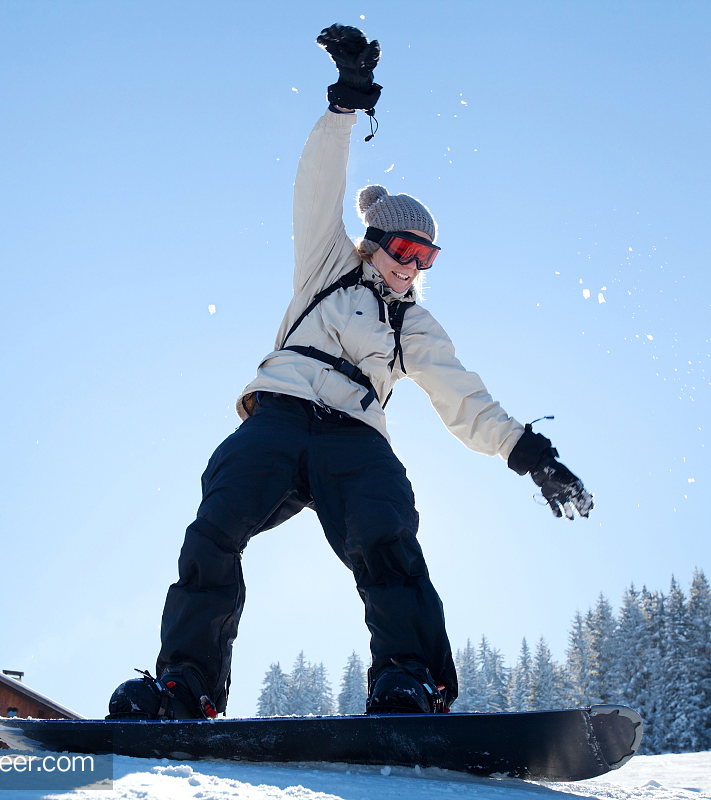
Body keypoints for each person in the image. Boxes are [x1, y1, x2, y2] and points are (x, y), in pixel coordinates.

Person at [108, 24, 594, 720]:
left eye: (426, 260)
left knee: (386, 538)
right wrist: (346, 104)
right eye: (401, 248)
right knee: (214, 530)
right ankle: (188, 686)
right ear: (373, 243)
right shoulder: (326, 270)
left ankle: (410, 680)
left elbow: (465, 399)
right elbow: (316, 185)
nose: (410, 267)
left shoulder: (412, 325)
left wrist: (532, 456)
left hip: (356, 441)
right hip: (277, 417)